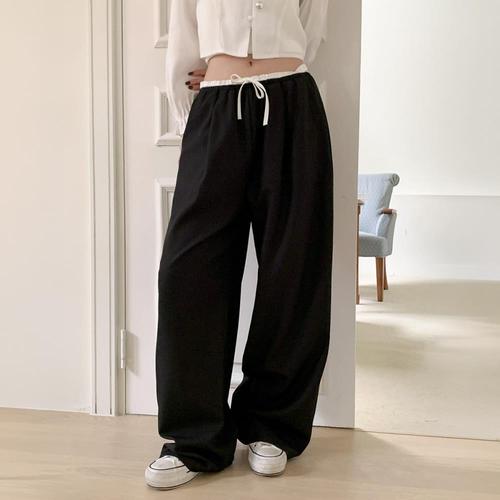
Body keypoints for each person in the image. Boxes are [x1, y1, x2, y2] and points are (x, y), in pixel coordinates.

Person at [145, 0, 333, 490]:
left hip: (291, 104)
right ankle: (195, 438)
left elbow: (311, 30)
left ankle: (273, 424)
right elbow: (184, 32)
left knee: (293, 268)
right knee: (188, 274)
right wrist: (199, 107)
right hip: (215, 107)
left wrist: (275, 68)